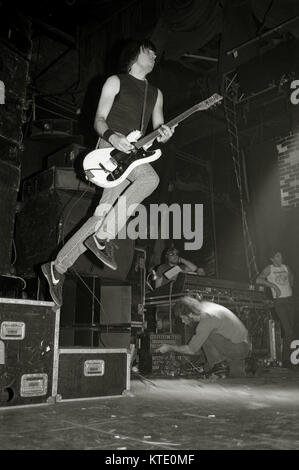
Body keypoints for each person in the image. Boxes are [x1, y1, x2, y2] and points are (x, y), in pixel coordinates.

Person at [41, 39, 175, 306]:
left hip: (135, 153)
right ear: (134, 54)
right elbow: (99, 120)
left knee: (108, 211)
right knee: (136, 189)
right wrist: (114, 138)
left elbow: (159, 129)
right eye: (149, 51)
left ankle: (61, 265)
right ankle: (72, 258)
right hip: (111, 150)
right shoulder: (116, 81)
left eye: (155, 53)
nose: (154, 55)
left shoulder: (156, 93)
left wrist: (166, 134)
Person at [156, 295, 250, 377]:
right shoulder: (204, 307)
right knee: (204, 336)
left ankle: (219, 366)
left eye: (183, 318)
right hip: (239, 343)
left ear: (190, 314)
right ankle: (219, 365)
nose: (182, 321)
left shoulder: (206, 319)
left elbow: (192, 349)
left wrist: (169, 347)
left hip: (239, 347)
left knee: (204, 334)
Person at [256, 250, 295, 366]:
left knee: (291, 331)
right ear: (272, 259)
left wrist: (290, 286)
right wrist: (273, 286)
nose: (281, 258)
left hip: (290, 300)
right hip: (280, 302)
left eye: (281, 256)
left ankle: (288, 360)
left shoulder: (286, 267)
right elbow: (258, 280)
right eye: (278, 256)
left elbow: (291, 277)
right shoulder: (269, 268)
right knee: (289, 331)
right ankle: (288, 360)